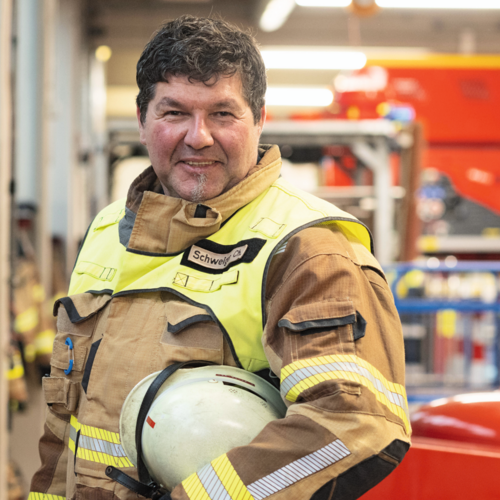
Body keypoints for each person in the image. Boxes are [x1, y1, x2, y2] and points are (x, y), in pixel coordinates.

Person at [28, 15, 408, 500]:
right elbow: (65, 425)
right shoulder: (107, 232)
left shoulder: (307, 248)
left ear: (260, 120)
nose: (199, 136)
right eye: (174, 113)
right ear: (143, 120)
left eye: (223, 114)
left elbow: (355, 422)